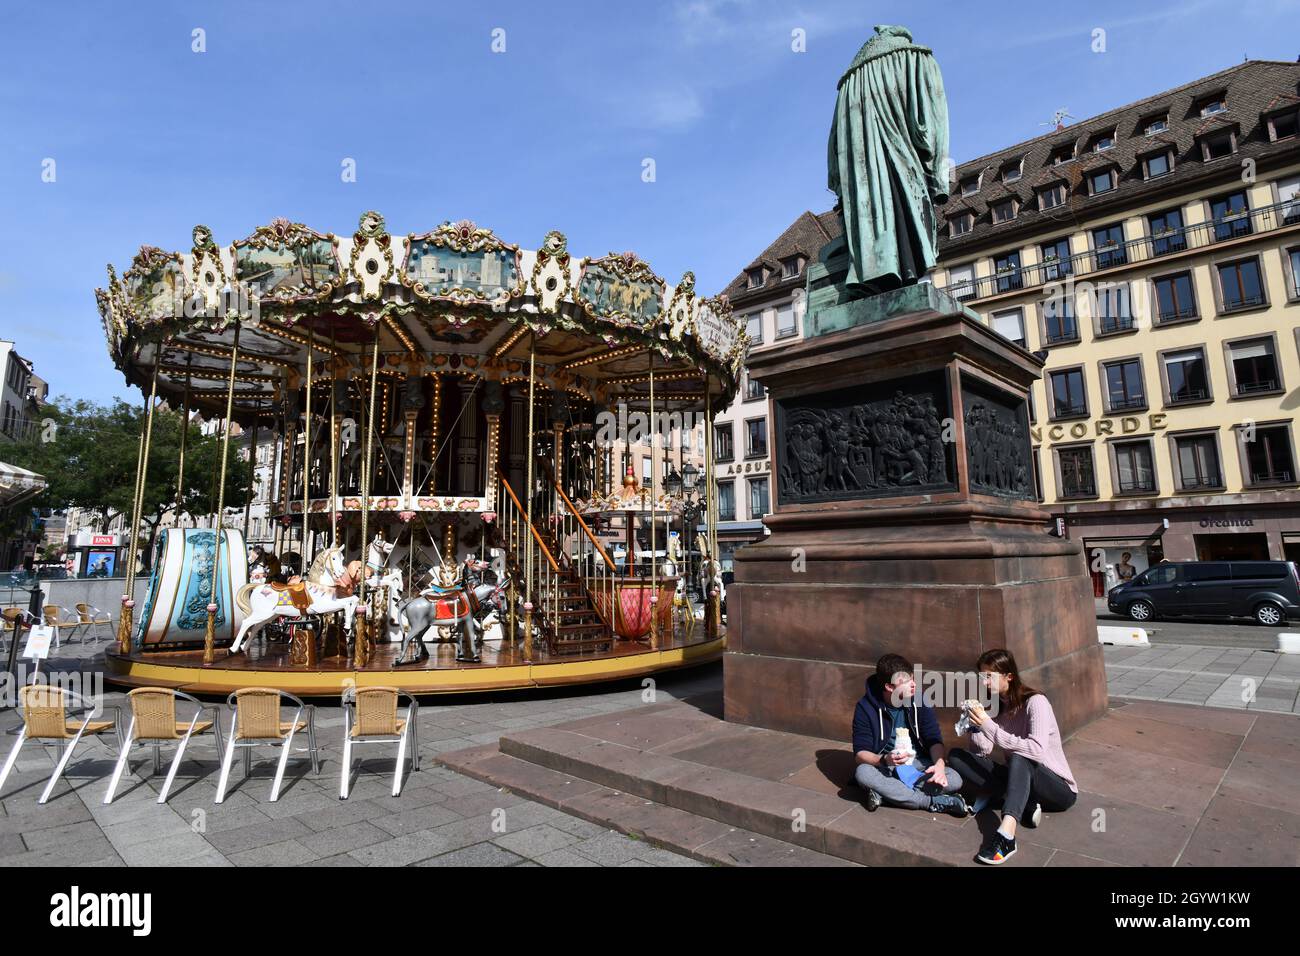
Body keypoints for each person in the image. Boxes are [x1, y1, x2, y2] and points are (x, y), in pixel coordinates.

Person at [947, 648, 1078, 865]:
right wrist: (976, 727)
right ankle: (1025, 802)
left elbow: (1035, 750)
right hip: (1020, 778)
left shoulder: (1036, 703)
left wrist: (988, 725)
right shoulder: (999, 706)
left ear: (1009, 676)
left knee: (1021, 755)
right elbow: (982, 752)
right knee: (957, 756)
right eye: (982, 676)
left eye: (989, 676)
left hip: (1059, 789)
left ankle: (1006, 835)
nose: (985, 682)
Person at [852, 653, 968, 817]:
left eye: (913, 678)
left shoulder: (919, 700)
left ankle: (886, 795)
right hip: (886, 767)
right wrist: (884, 759)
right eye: (906, 682)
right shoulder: (866, 708)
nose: (913, 685)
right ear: (889, 687)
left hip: (919, 764)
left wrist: (940, 767)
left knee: (955, 779)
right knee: (863, 772)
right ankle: (929, 802)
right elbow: (860, 754)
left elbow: (934, 740)